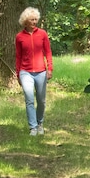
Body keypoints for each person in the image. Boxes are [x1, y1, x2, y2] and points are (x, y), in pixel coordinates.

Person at [15, 7, 53, 136]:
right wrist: (18, 74)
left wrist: (50, 69)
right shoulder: (19, 37)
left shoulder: (42, 34)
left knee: (41, 100)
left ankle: (40, 123)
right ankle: (33, 127)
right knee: (29, 99)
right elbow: (18, 56)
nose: (34, 22)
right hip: (25, 72)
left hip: (41, 71)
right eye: (32, 20)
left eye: (36, 19)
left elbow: (48, 52)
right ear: (25, 21)